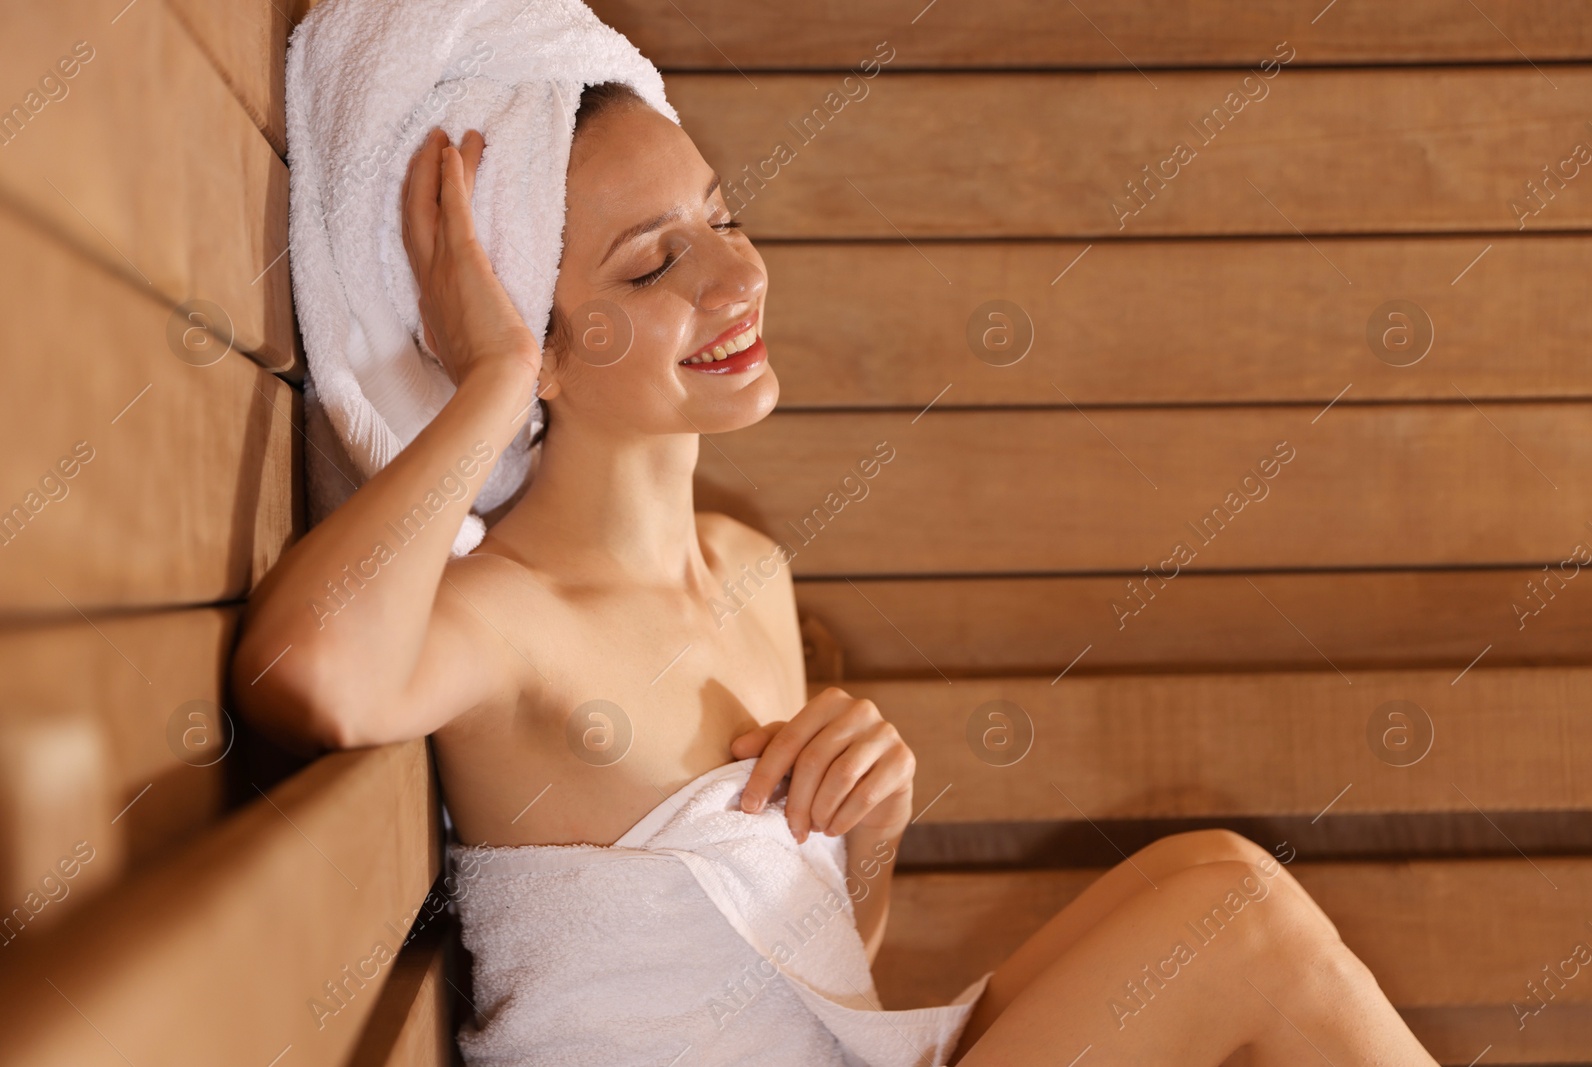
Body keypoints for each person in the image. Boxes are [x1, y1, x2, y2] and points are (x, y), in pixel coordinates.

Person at [233, 82, 1439, 1066]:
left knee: (1210, 873)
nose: (736, 279)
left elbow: (813, 973)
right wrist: (488, 385)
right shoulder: (514, 616)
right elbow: (304, 673)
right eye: (653, 266)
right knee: (1237, 920)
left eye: (726, 216)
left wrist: (867, 834)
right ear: (533, 343)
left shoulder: (750, 574)